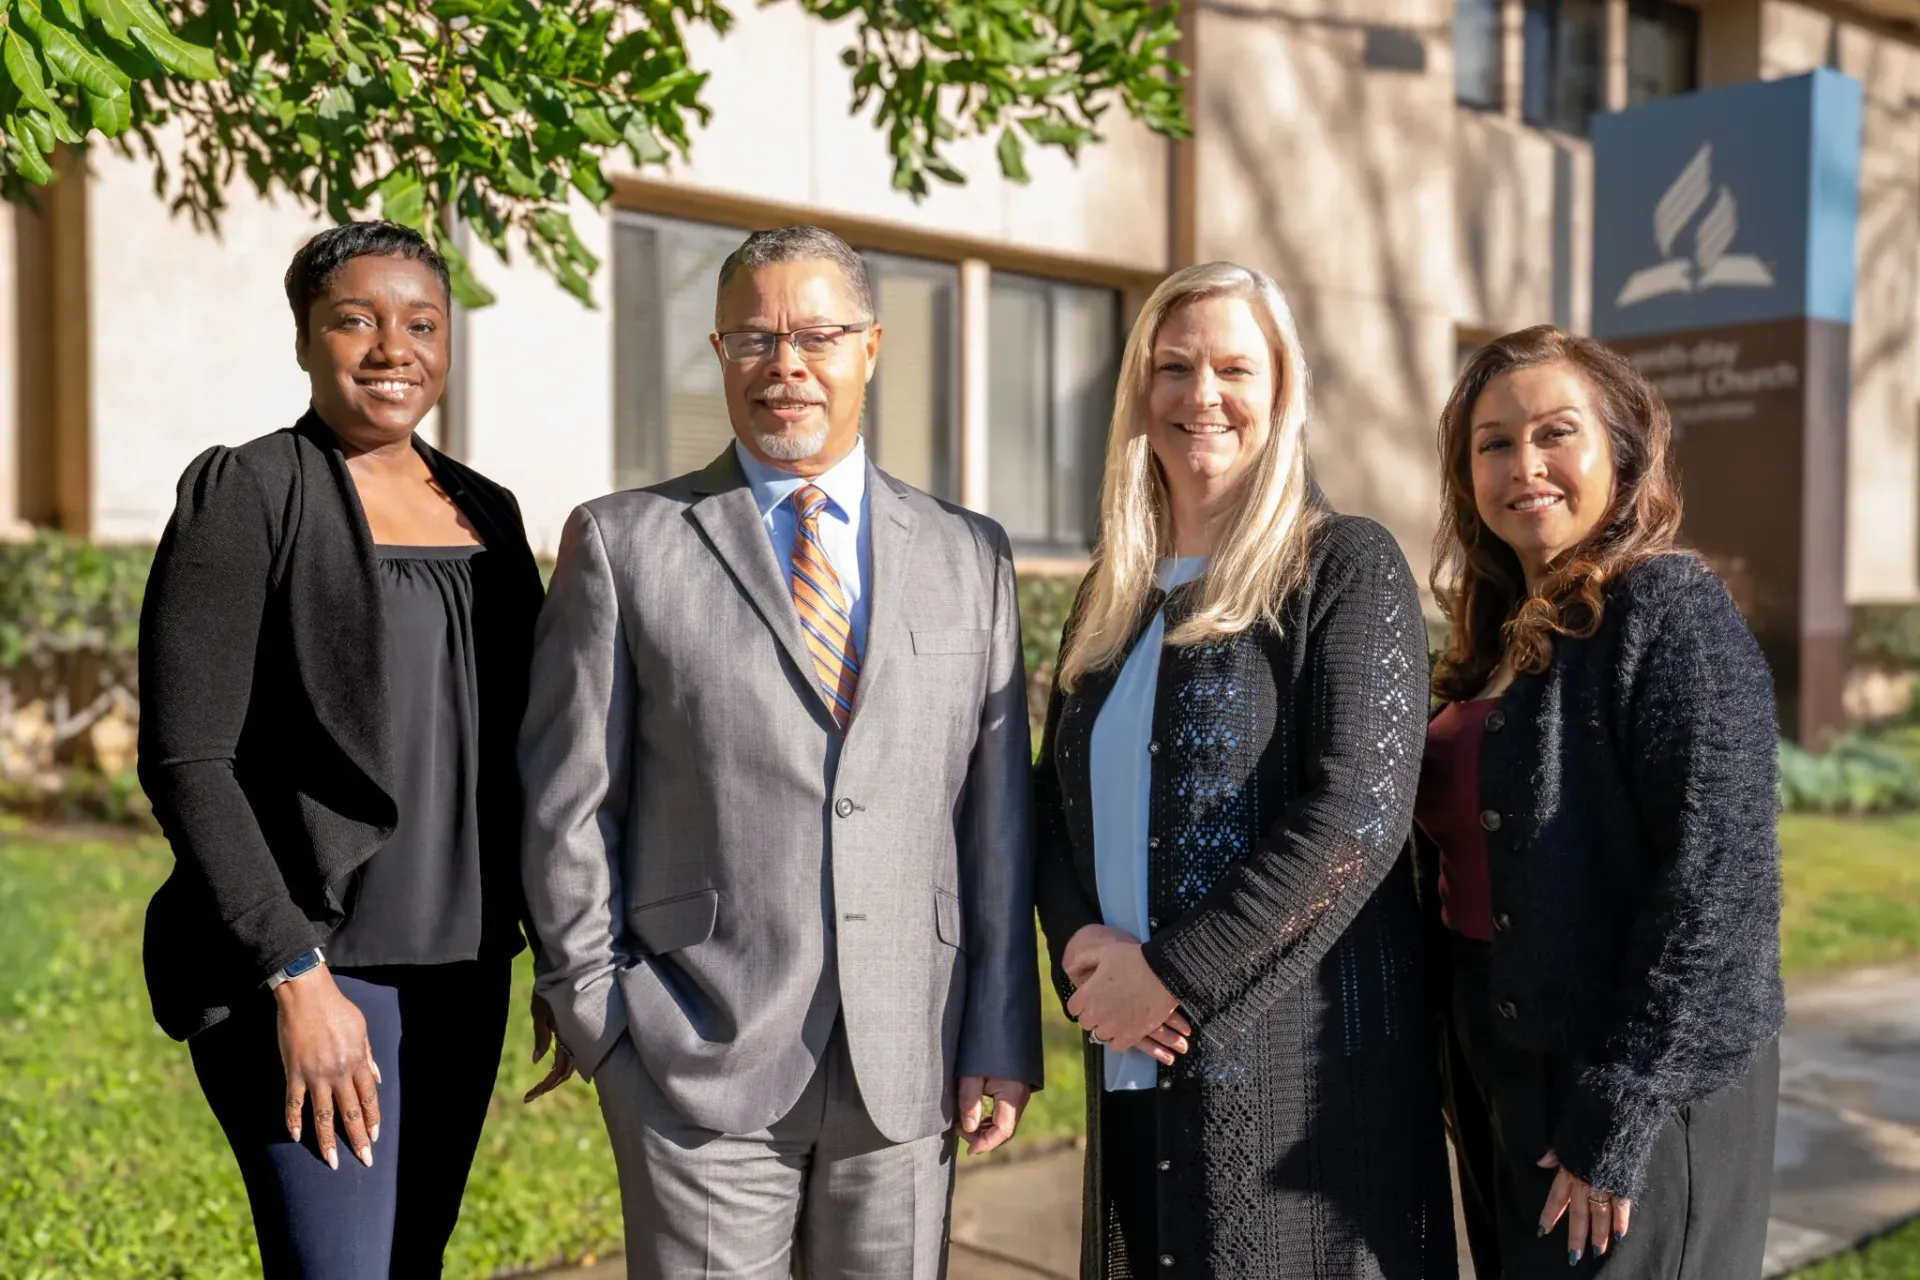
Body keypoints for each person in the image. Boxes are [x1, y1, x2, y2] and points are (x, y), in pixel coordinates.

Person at [518, 223, 1042, 1279]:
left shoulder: (969, 554)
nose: (786, 365)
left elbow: (994, 823)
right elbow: (569, 803)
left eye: (816, 334)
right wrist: (599, 1018)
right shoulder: (625, 543)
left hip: (913, 1057)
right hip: (696, 1054)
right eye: (753, 338)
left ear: (872, 347)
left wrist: (999, 1028)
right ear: (718, 355)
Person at [137, 221, 547, 1278]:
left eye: (421, 323)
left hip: (462, 968)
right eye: (354, 319)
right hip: (318, 967)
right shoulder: (251, 493)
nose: (390, 347)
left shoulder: (488, 513)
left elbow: (531, 749)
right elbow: (188, 760)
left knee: (412, 1258)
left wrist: (560, 943)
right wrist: (294, 973)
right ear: (306, 338)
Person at [1031, 261, 1455, 1278]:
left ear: (1281, 391)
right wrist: (1082, 949)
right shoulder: (1112, 590)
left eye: (1234, 367)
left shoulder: (1344, 566)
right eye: (1173, 367)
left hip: (1300, 1085)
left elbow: (1357, 816)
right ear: (1141, 391)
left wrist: (1169, 975)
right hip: (1134, 1061)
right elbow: (1050, 805)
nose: (1201, 395)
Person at [1419, 325, 1782, 1277]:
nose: (1524, 464)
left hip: (1634, 1094)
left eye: (1555, 433)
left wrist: (1618, 1114)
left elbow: (1721, 890)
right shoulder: (1492, 641)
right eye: (1493, 442)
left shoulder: (1668, 615)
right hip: (1508, 1075)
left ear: (1621, 453)